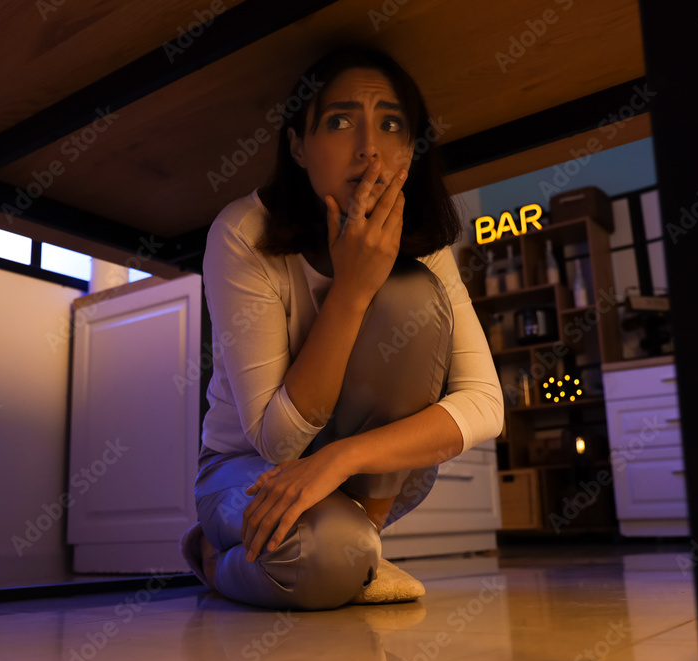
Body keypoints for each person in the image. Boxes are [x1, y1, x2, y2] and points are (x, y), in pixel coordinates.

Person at [180, 46, 503, 611]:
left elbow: (485, 403)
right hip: (246, 470)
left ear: (411, 150)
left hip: (363, 476)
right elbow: (276, 441)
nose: (369, 147)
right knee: (324, 559)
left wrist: (343, 458)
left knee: (409, 295)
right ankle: (211, 550)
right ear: (299, 146)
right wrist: (353, 287)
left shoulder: (422, 242)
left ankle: (363, 537)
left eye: (391, 125)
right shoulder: (242, 233)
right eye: (339, 121)